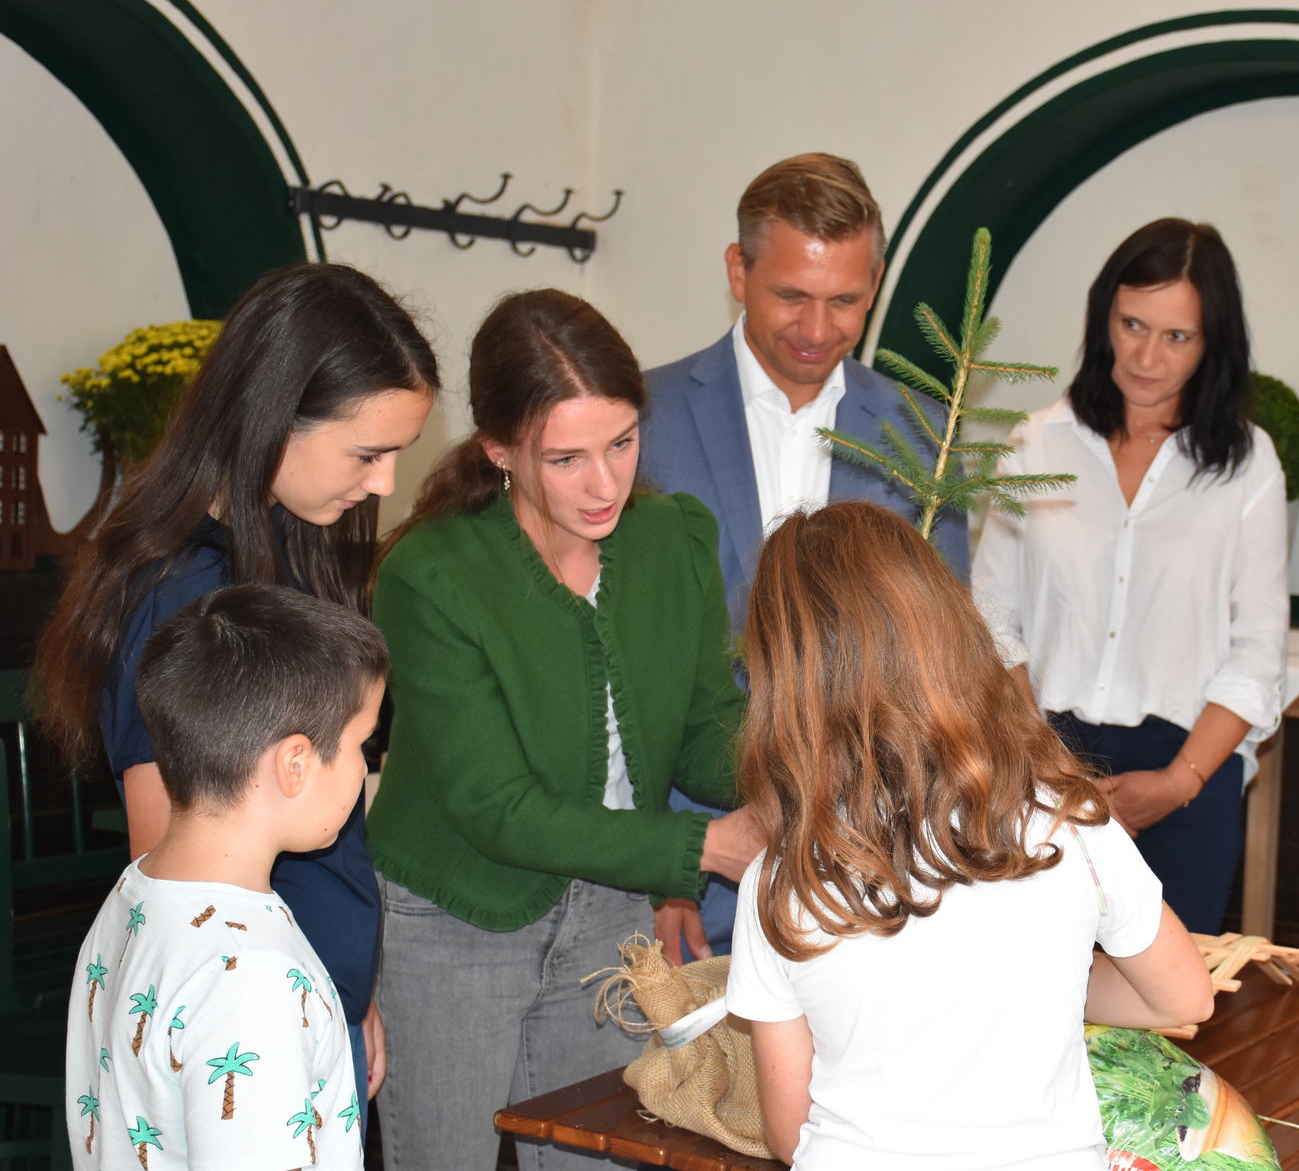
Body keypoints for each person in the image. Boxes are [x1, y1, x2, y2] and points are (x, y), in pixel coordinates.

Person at [366, 288, 759, 1171]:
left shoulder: (675, 540)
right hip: (454, 915)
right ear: (501, 449)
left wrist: (791, 772)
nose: (607, 483)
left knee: (599, 1155)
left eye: (622, 442)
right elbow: (497, 806)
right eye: (567, 458)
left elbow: (703, 725)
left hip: (608, 916)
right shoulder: (430, 574)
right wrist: (703, 848)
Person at [35, 261, 439, 1114]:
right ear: (274, 417)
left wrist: (350, 988)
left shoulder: (288, 540)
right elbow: (178, 859)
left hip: (301, 1006)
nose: (383, 485)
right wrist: (299, 1001)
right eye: (367, 453)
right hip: (244, 1033)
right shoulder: (180, 593)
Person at [726, 502, 1213, 1169]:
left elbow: (788, 1130)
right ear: (949, 632)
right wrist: (1051, 976)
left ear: (784, 677)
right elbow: (1185, 994)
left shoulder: (782, 877)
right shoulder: (1067, 822)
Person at [642, 152, 971, 959]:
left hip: (871, 857)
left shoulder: (924, 435)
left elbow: (941, 655)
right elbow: (619, 666)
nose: (818, 329)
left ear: (877, 282)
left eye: (845, 301)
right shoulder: (642, 418)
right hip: (696, 851)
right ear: (738, 269)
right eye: (791, 295)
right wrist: (663, 859)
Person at [972, 218, 1288, 934]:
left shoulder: (1248, 465)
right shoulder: (1037, 441)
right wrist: (1047, 767)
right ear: (1102, 316)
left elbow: (1259, 646)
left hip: (1188, 772)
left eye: (1177, 336)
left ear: (1213, 343)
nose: (1146, 356)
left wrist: (1178, 783)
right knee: (1040, 998)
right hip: (1044, 762)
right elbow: (990, 618)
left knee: (1169, 1017)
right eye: (1131, 324)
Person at [65, 584, 388, 1171]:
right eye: (359, 745)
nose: (364, 766)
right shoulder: (251, 976)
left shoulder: (134, 894)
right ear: (294, 765)